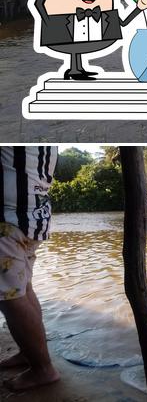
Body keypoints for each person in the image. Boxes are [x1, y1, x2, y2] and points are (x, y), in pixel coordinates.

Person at [0, 146, 60, 392]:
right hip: (33, 217)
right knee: (22, 288)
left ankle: (42, 368)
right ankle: (30, 354)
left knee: (9, 297)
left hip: (8, 218)